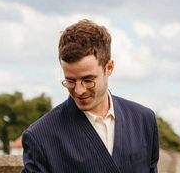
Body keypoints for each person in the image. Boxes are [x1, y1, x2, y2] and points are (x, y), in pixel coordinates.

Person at [21, 19, 159, 173]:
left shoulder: (144, 120)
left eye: (88, 80)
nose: (79, 90)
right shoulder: (40, 136)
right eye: (70, 81)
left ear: (109, 68)